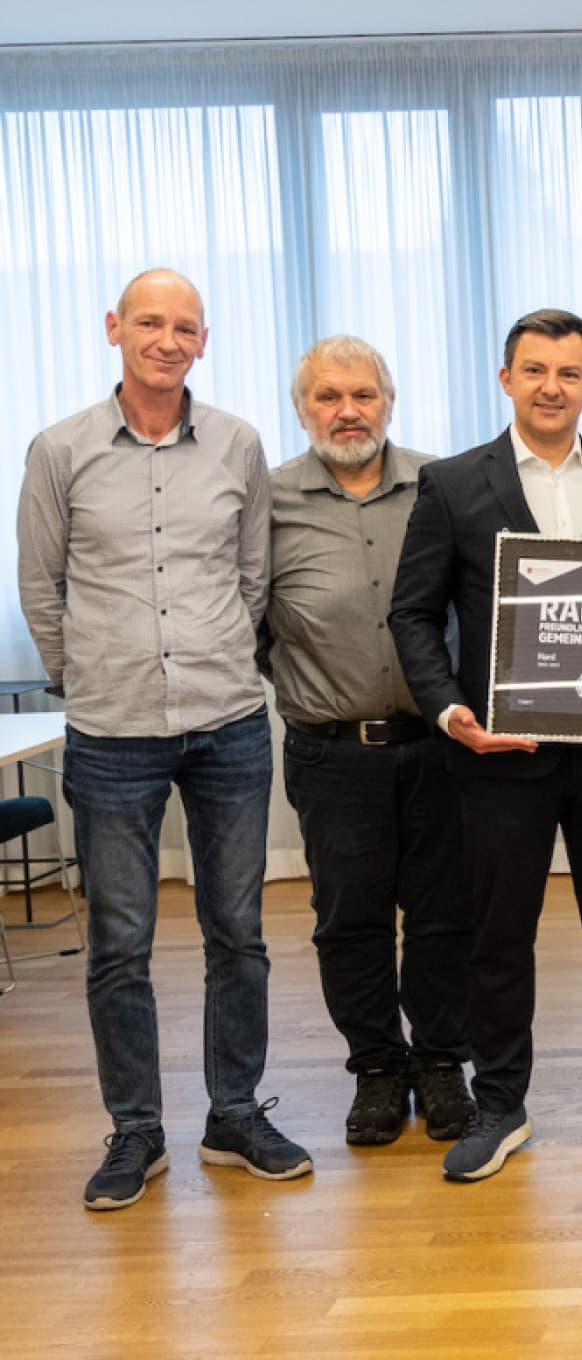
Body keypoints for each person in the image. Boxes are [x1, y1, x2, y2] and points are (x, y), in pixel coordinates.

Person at [19, 268, 310, 1211]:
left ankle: (235, 1114)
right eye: (150, 321)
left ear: (203, 341)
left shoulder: (237, 443)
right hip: (112, 734)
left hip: (228, 725)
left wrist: (219, 657)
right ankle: (136, 1130)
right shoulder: (58, 449)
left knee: (239, 934)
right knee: (119, 943)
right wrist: (85, 676)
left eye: (185, 326)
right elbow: (41, 588)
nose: (167, 339)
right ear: (115, 328)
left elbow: (253, 578)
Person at [388, 308, 582, 1182]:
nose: (551, 387)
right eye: (534, 370)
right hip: (501, 754)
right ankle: (500, 1105)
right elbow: (412, 614)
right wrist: (450, 711)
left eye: (568, 373)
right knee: (497, 938)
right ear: (506, 379)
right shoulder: (453, 483)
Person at [263, 336, 473, 1148]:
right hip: (331, 752)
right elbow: (249, 619)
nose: (347, 411)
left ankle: (442, 1061)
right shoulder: (268, 501)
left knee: (444, 915)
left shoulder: (443, 485)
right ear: (302, 408)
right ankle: (378, 1068)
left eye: (363, 394)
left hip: (439, 744)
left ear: (390, 401)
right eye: (328, 396)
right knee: (349, 920)